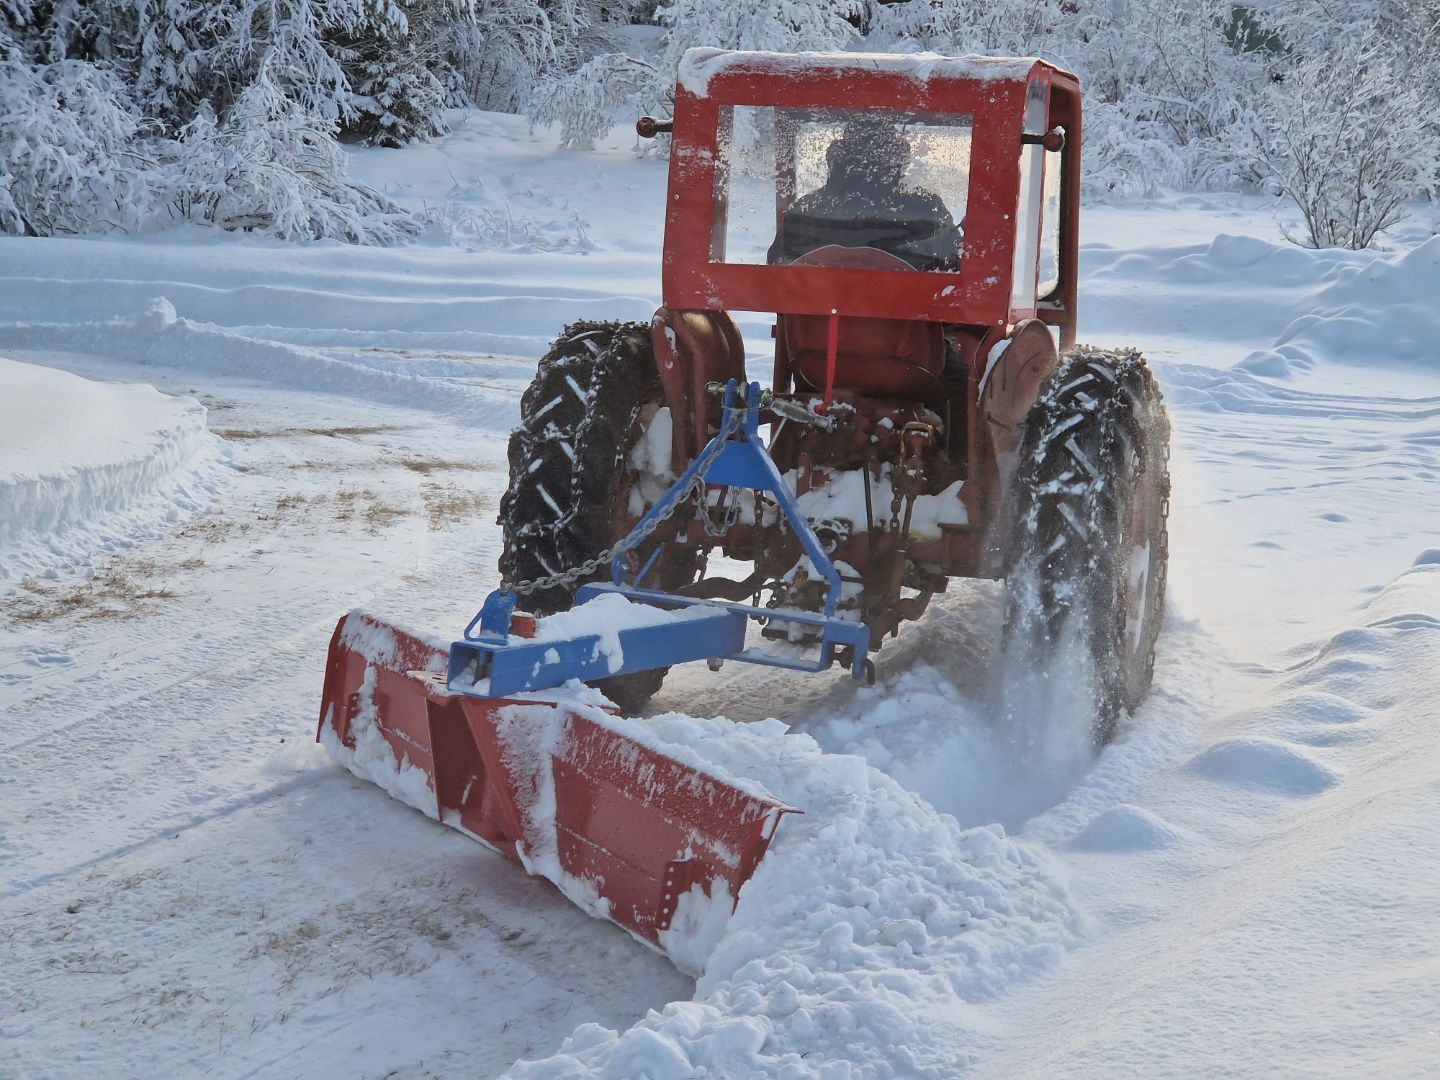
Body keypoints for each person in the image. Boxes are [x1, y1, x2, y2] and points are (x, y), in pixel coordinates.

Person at [767, 121, 963, 272]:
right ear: (900, 157)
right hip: (910, 324)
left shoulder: (809, 209)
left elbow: (778, 274)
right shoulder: (926, 208)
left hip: (814, 325)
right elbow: (957, 274)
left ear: (835, 156)